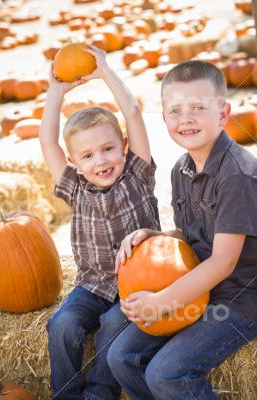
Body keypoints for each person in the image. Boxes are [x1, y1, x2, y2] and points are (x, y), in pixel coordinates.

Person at [107, 60, 257, 400]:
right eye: (175, 110)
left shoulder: (236, 175)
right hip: (198, 290)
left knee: (167, 373)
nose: (185, 118)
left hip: (240, 298)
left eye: (198, 108)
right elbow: (194, 236)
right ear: (164, 118)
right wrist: (156, 236)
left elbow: (222, 263)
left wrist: (161, 302)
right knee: (121, 356)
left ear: (223, 113)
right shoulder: (182, 169)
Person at [39, 45, 160, 400]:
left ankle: (99, 393)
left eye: (108, 149)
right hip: (91, 286)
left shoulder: (138, 173)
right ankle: (66, 394)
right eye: (88, 155)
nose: (101, 161)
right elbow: (47, 139)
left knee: (113, 324)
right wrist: (56, 91)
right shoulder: (74, 187)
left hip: (136, 285)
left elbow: (134, 113)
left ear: (123, 146)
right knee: (61, 324)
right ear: (74, 161)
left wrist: (105, 70)